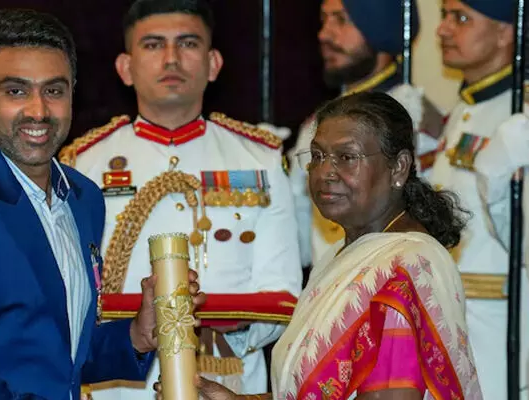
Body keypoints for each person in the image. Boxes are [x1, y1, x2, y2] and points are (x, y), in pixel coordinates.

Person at [0, 8, 205, 400]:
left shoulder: (83, 198)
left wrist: (137, 334)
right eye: (16, 91)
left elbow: (60, 355)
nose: (38, 111)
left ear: (72, 94)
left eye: (53, 91)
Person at [155, 91, 482, 400]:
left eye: (347, 157)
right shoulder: (339, 257)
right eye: (317, 156)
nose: (325, 172)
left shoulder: (406, 268)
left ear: (398, 167)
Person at [58, 0, 302, 398]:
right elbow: (71, 294)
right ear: (125, 67)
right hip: (118, 388)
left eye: (188, 43)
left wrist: (223, 325)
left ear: (213, 64)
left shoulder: (260, 160)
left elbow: (284, 293)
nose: (171, 58)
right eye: (153, 45)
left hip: (224, 379)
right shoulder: (82, 164)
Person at [288, 0, 444, 273]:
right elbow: (298, 236)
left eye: (341, 20)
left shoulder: (413, 118)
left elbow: (426, 228)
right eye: (324, 20)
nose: (324, 34)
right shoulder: (318, 122)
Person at [429, 1, 529, 397]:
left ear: (506, 31)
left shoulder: (523, 115)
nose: (443, 30)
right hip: (450, 322)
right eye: (444, 15)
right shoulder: (463, 111)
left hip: (499, 333)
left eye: (461, 18)